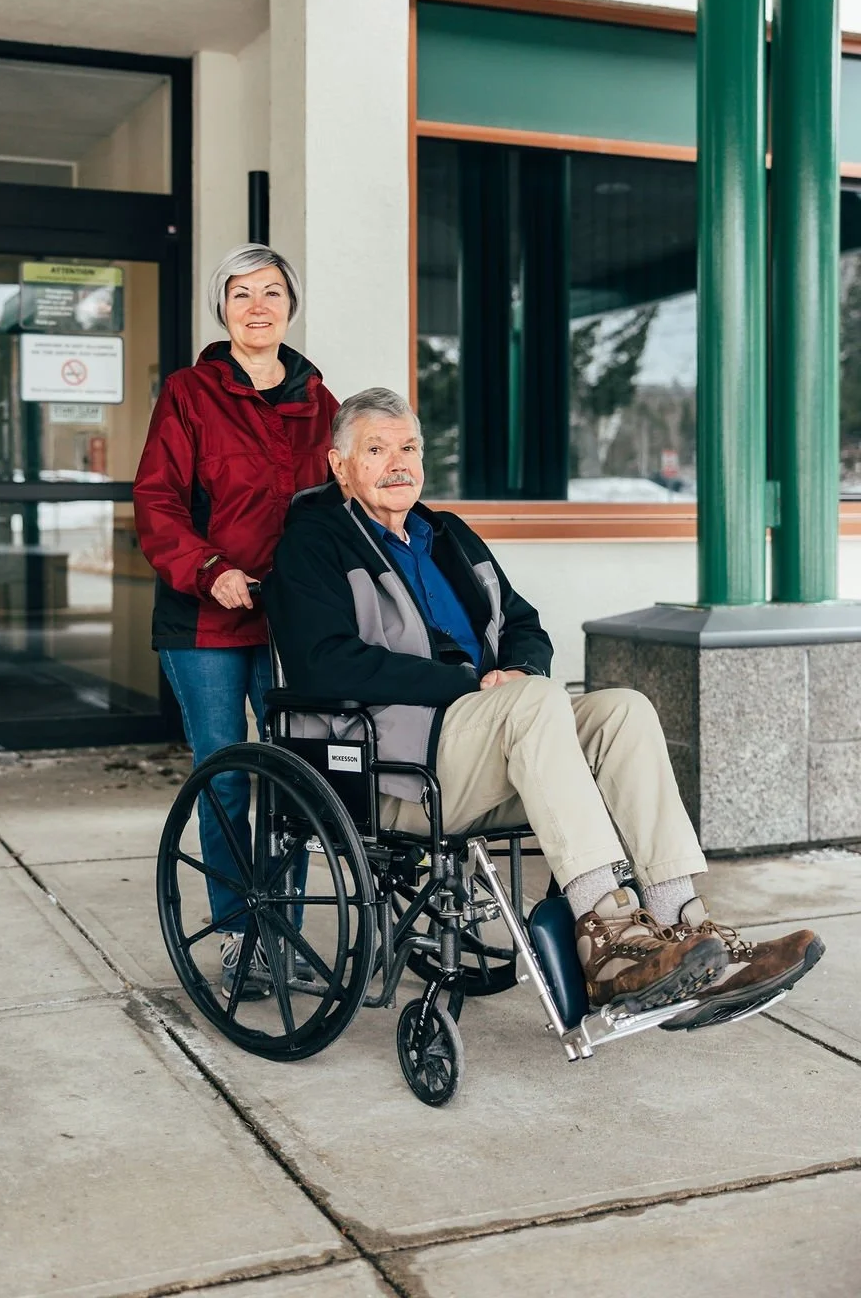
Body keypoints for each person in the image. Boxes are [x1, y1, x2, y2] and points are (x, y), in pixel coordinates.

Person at [263, 387, 825, 1026]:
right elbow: (322, 662)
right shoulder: (314, 544)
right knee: (533, 704)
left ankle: (683, 931)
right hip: (397, 762)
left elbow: (525, 623)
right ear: (339, 465)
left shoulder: (446, 534)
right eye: (376, 448)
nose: (399, 462)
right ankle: (607, 937)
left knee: (624, 711)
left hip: (497, 736)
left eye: (410, 447)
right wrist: (469, 685)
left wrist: (519, 668)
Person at [134, 244, 338, 1000]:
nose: (258, 306)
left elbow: (341, 508)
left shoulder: (322, 403)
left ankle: (278, 923)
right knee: (227, 779)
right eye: (242, 293)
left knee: (295, 780)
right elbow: (156, 501)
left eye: (272, 291)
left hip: (291, 625)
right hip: (207, 624)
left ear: (291, 304)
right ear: (222, 308)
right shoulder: (190, 392)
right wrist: (209, 569)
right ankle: (240, 933)